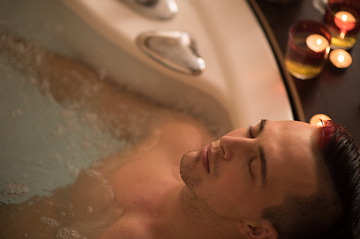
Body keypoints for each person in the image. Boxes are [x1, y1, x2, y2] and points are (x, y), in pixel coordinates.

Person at [0, 31, 359, 239]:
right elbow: (79, 89)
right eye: (254, 131)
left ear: (255, 230)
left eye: (253, 166)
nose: (230, 142)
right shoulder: (175, 136)